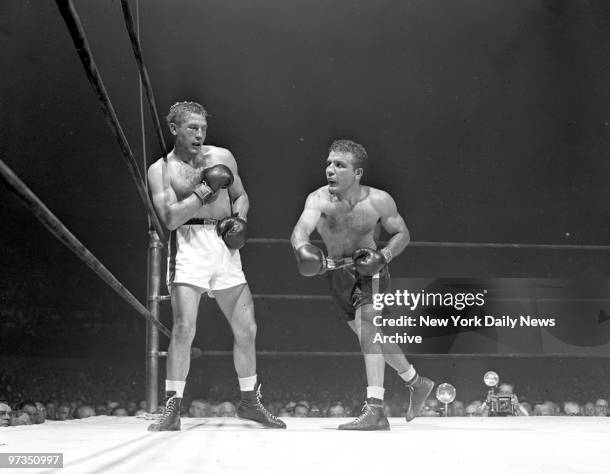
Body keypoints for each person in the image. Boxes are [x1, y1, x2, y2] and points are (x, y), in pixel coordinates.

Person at [147, 101, 285, 431]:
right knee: (184, 329)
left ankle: (250, 402)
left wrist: (240, 220)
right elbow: (170, 218)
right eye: (192, 128)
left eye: (203, 128)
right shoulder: (161, 170)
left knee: (247, 329)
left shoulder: (223, 156)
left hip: (224, 244)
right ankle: (172, 408)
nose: (199, 134)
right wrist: (206, 188)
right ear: (174, 129)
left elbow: (241, 195)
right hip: (189, 244)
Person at [291, 139, 434, 430]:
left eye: (339, 165)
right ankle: (416, 382)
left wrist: (383, 255)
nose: (330, 169)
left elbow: (402, 233)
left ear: (357, 173)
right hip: (336, 276)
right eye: (329, 163)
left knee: (368, 329)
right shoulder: (318, 199)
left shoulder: (378, 200)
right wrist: (301, 249)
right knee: (369, 336)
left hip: (371, 272)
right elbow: (300, 230)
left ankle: (376, 409)